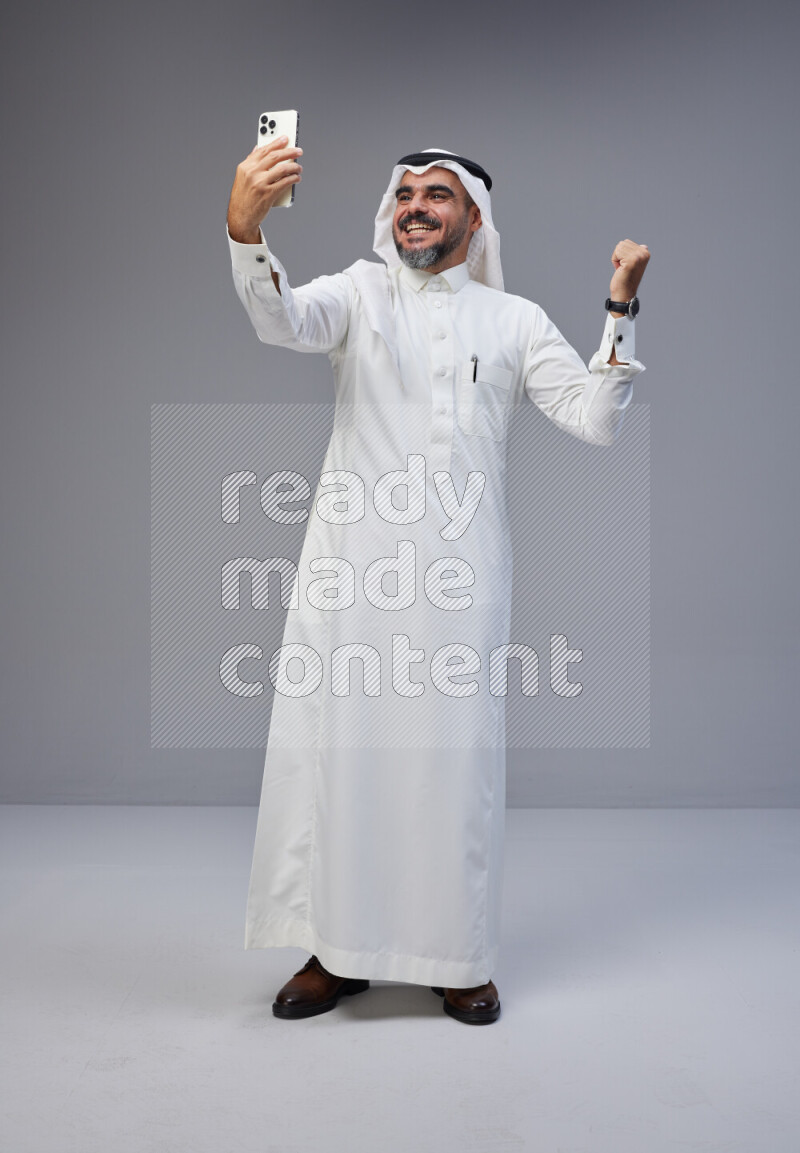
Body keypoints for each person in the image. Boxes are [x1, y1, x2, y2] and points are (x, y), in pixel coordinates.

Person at [226, 138, 650, 1026]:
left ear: (475, 218)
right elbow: (285, 321)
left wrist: (620, 307)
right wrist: (245, 232)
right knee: (346, 758)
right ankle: (335, 951)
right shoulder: (359, 292)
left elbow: (596, 419)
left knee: (451, 767)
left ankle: (458, 956)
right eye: (407, 193)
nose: (416, 206)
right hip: (355, 573)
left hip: (462, 580)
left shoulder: (515, 320)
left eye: (437, 195)